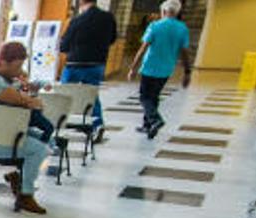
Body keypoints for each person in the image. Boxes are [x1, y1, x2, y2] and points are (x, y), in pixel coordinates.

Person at [0, 41, 52, 214]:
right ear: (2, 63)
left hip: (0, 133)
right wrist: (30, 98)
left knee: (46, 140)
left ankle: (17, 176)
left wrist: (23, 85)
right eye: (17, 66)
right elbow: (26, 102)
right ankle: (25, 194)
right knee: (39, 150)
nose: (19, 71)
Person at [127, 0, 191, 139]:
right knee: (154, 96)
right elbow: (184, 52)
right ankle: (148, 126)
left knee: (144, 97)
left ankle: (155, 120)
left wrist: (133, 67)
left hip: (150, 67)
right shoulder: (182, 28)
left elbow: (143, 48)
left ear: (163, 11)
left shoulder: (155, 26)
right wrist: (187, 72)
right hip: (166, 69)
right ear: (177, 12)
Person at [59, 0, 117, 141]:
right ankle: (97, 124)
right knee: (92, 95)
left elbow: (64, 46)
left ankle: (59, 124)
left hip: (75, 64)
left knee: (63, 94)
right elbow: (112, 39)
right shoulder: (108, 18)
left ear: (81, 3)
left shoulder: (77, 20)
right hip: (97, 64)